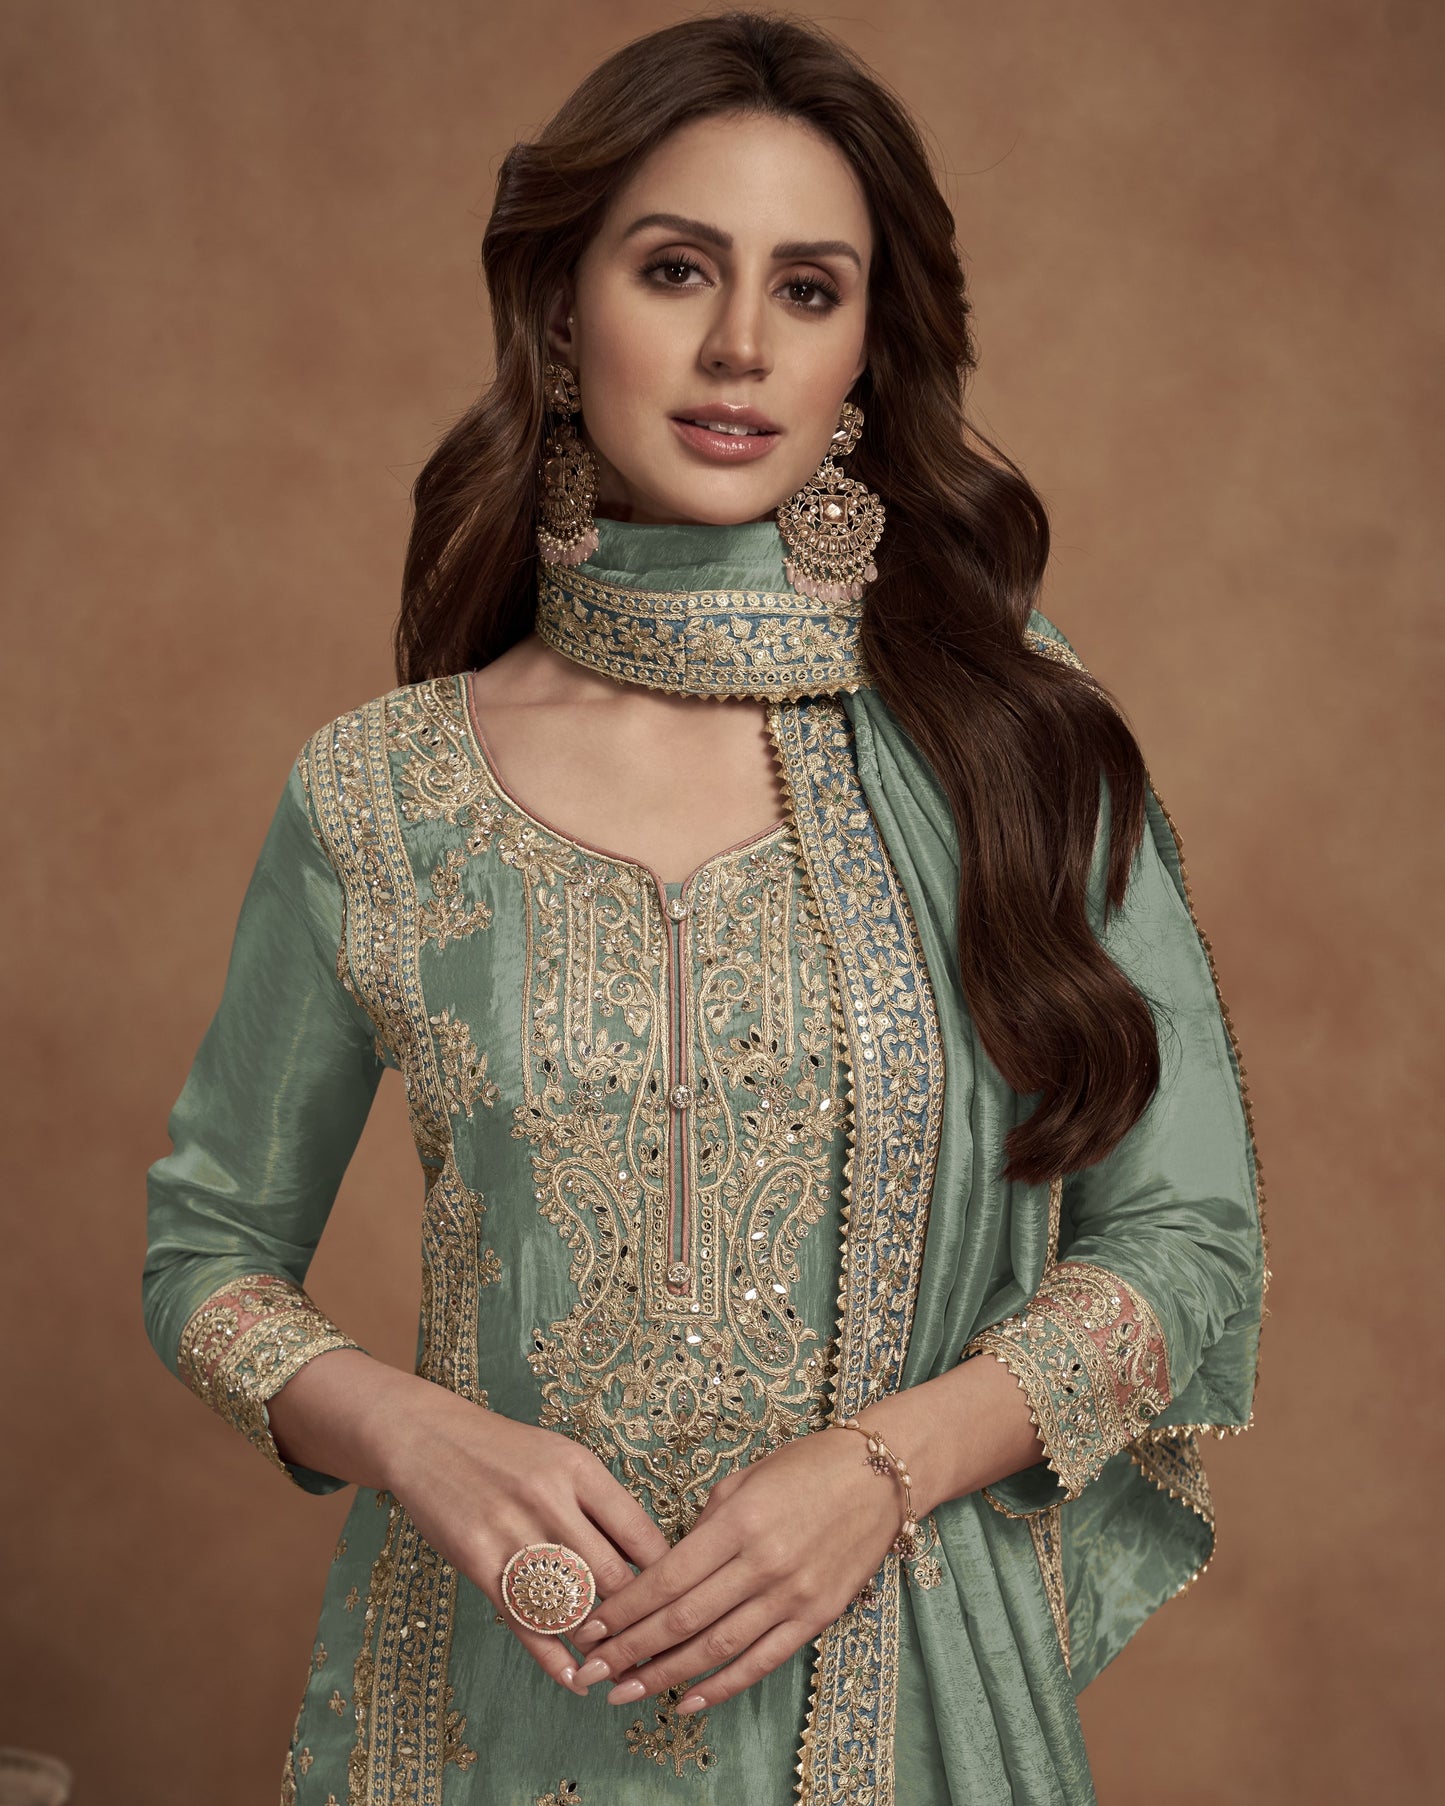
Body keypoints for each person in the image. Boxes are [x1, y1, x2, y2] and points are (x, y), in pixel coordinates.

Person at [142, 13, 1269, 1804]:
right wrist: (413, 1430)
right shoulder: (381, 792)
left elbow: (1186, 1252)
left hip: (901, 1701)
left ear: (867, 352)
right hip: (487, 1709)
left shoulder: (1014, 741)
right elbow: (204, 1259)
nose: (740, 344)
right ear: (561, 304)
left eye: (808, 289)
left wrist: (881, 1468)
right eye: (677, 269)